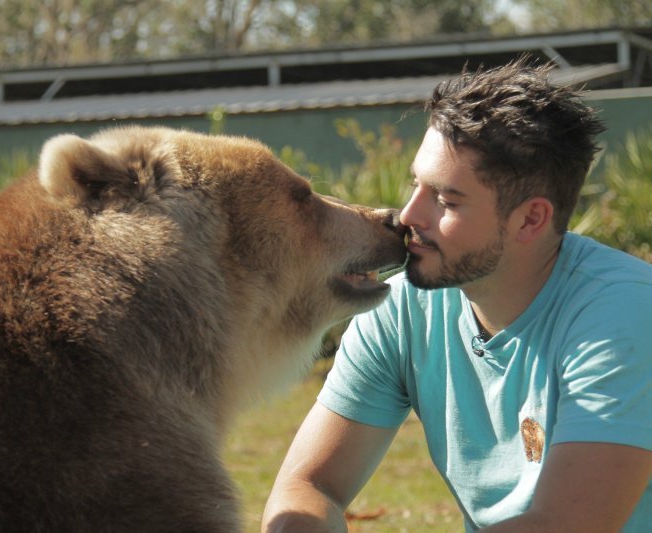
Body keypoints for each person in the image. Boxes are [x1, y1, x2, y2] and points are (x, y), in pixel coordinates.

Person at [262, 57, 652, 532]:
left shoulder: (624, 315)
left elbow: (565, 525)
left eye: (446, 201)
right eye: (416, 184)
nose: (407, 216)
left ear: (531, 219)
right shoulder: (404, 305)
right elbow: (309, 487)